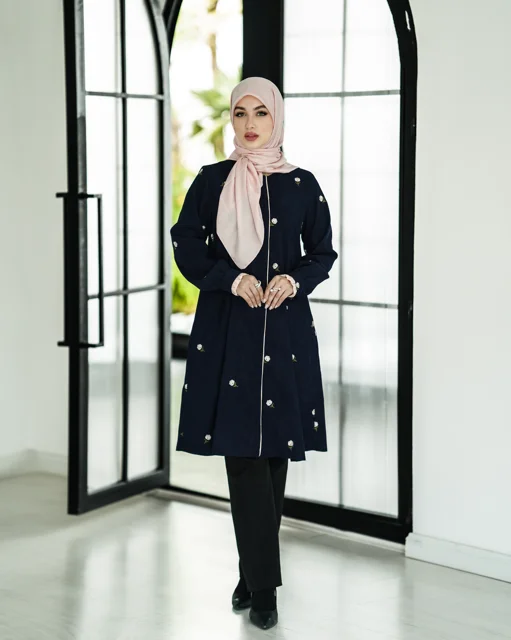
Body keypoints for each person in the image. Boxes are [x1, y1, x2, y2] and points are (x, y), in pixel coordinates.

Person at [170, 76, 338, 631]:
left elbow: (322, 252)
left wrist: (294, 279)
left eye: (260, 113)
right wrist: (230, 278)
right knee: (243, 457)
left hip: (285, 334)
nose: (249, 123)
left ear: (276, 118)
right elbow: (186, 243)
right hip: (229, 333)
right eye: (240, 113)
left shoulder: (302, 185)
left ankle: (250, 574)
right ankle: (265, 590)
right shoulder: (212, 181)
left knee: (274, 459)